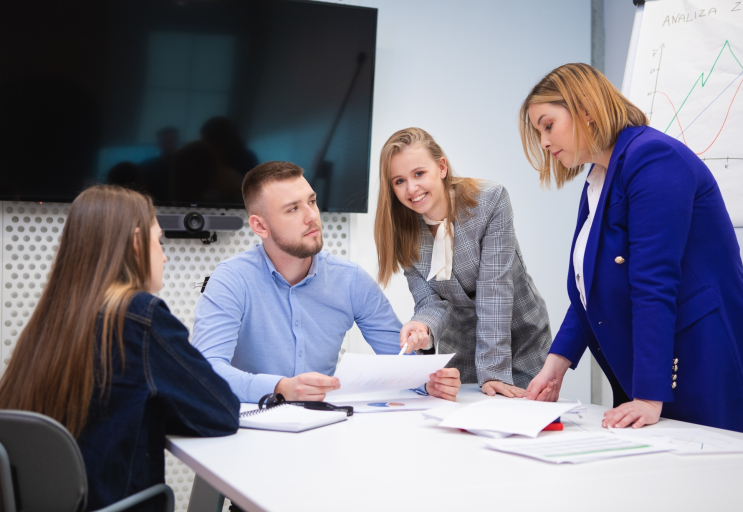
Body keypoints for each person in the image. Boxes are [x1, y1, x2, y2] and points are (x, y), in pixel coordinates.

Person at [520, 63, 743, 436]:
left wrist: (650, 395)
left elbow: (654, 281)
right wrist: (555, 367)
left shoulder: (653, 158)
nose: (543, 142)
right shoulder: (600, 178)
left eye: (548, 125)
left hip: (706, 356)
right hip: (661, 364)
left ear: (585, 109)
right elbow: (592, 289)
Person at [0, 185, 240, 511]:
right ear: (137, 243)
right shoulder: (140, 317)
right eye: (160, 240)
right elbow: (222, 412)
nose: (165, 255)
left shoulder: (49, 320)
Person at [191, 161, 461, 403]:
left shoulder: (350, 279)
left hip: (322, 430)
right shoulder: (231, 280)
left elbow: (400, 360)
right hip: (249, 431)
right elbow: (205, 369)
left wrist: (429, 382)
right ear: (260, 226)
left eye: (311, 201)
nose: (312, 216)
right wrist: (281, 387)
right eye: (293, 209)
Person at [374, 128, 552, 398]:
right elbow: (431, 302)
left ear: (442, 167)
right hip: (459, 347)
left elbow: (495, 289)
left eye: (419, 174)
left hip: (519, 337)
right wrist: (421, 325)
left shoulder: (490, 201)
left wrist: (493, 372)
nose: (411, 188)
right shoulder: (402, 232)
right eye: (399, 181)